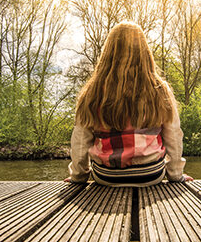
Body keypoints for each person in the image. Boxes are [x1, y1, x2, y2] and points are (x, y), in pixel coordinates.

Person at [65, 21, 193, 187]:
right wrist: (176, 175)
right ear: (144, 52)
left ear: (108, 52)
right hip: (150, 174)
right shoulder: (159, 89)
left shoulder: (93, 91)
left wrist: (78, 176)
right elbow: (173, 136)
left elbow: (81, 140)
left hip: (106, 176)